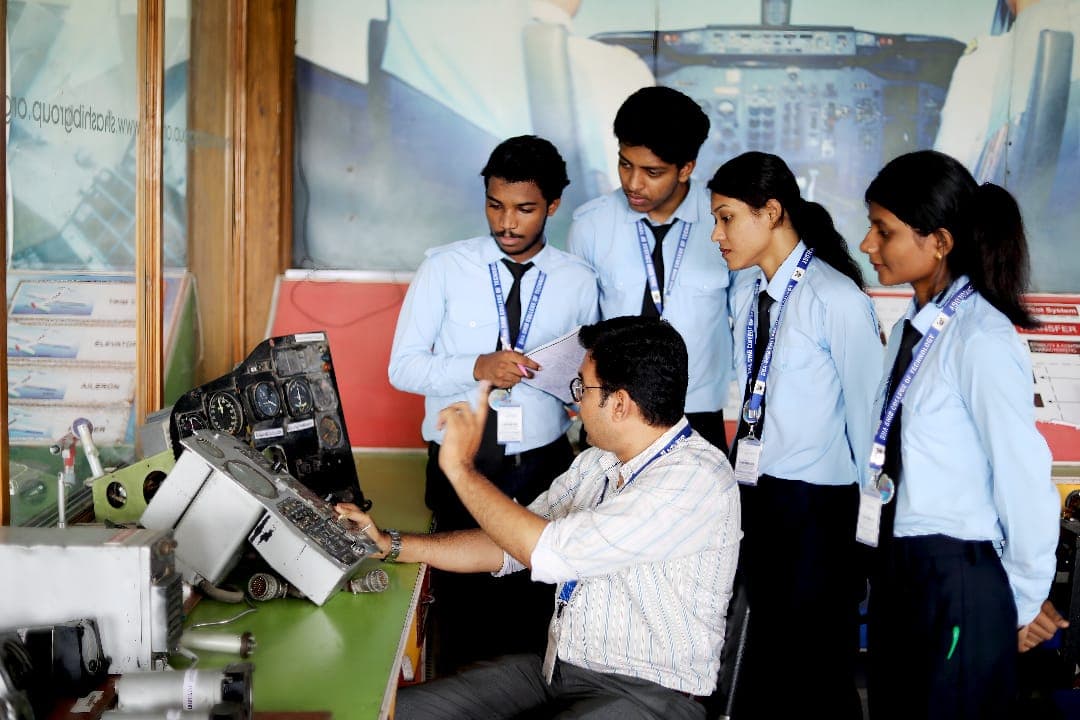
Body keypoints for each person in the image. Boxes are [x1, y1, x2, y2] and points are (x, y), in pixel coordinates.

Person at [341, 316, 741, 720]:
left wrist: (461, 469)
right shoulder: (598, 461)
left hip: (651, 697)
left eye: (582, 388)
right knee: (398, 712)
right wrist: (391, 544)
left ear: (619, 404)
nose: (576, 403)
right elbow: (508, 544)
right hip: (559, 672)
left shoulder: (694, 480)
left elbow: (549, 553)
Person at [859, 149, 1064, 719]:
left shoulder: (981, 339)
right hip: (898, 569)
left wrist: (1023, 601)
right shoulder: (911, 331)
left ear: (940, 242)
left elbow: (1023, 478)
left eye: (884, 230)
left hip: (954, 577)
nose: (867, 244)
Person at [387, 134, 599, 674]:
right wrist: (476, 366)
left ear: (553, 205)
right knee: (461, 609)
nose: (507, 222)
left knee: (533, 606)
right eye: (495, 205)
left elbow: (586, 375)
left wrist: (574, 394)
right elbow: (402, 368)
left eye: (525, 209)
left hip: (543, 463)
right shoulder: (444, 267)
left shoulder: (578, 280)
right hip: (462, 462)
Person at [706, 152, 882, 719]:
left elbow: (870, 427)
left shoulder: (837, 299)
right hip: (755, 496)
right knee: (762, 660)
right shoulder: (746, 293)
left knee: (816, 670)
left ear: (771, 212)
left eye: (727, 218)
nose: (716, 235)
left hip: (819, 512)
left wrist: (868, 535)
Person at [568, 86, 735, 451]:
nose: (633, 183)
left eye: (652, 172)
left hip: (697, 410)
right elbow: (579, 329)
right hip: (612, 409)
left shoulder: (723, 222)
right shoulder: (591, 225)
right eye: (625, 164)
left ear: (686, 169)